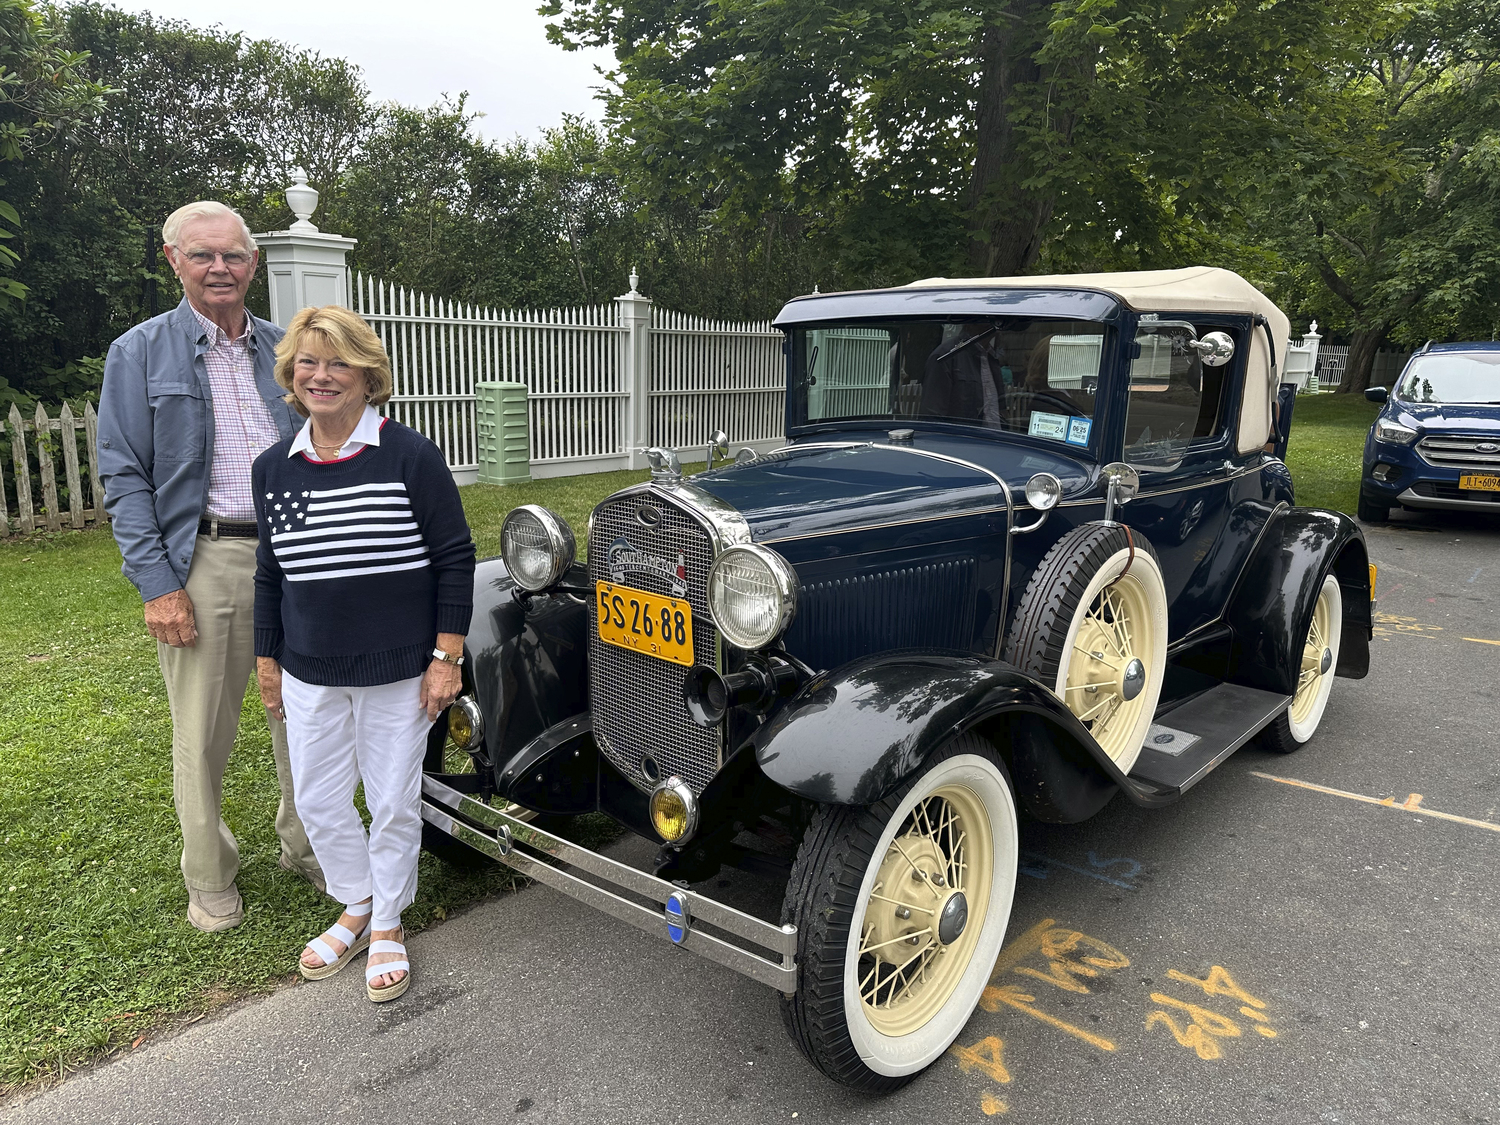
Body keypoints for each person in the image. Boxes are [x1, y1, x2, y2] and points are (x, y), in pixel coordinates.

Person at [98, 200, 322, 933]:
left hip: (296, 552)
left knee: (310, 712)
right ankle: (211, 874)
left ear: (254, 263)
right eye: (203, 256)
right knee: (203, 728)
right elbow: (125, 475)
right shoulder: (139, 352)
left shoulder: (285, 349)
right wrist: (159, 583)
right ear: (173, 261)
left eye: (232, 255)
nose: (219, 268)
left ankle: (307, 841)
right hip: (207, 554)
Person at [252, 305, 475, 1002]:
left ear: (368, 374)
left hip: (398, 670)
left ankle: (387, 921)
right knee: (317, 799)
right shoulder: (273, 469)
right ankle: (355, 899)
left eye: (338, 361)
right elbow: (270, 574)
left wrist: (447, 655)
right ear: (290, 374)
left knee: (391, 799)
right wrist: (267, 658)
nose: (321, 375)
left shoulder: (409, 455)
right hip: (309, 668)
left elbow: (455, 557)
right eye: (307, 362)